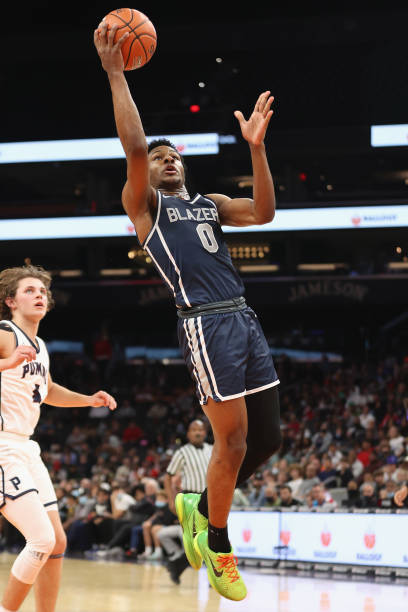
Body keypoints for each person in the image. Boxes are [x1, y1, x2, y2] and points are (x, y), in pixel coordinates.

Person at [94, 22, 281, 602]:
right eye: (158, 157)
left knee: (269, 440)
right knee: (234, 443)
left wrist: (256, 148)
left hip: (244, 317)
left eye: (173, 154)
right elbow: (132, 147)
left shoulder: (210, 204)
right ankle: (218, 544)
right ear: (146, 175)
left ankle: (198, 507)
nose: (166, 159)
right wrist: (116, 73)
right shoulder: (146, 209)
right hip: (205, 323)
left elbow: (265, 214)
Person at [0, 265, 116, 612]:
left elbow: (47, 390)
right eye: (29, 290)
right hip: (2, 445)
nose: (39, 295)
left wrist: (88, 399)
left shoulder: (40, 346)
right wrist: (5, 364)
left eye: (42, 291)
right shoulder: (5, 333)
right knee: (41, 540)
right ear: (10, 301)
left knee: (57, 541)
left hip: (26, 447)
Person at [161, 420, 212, 583]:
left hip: (210, 497)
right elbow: (168, 477)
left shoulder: (212, 450)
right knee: (199, 541)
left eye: (200, 429)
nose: (197, 432)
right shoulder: (182, 452)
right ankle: (213, 578)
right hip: (191, 499)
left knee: (210, 539)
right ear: (188, 433)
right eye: (194, 430)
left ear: (205, 433)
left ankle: (175, 565)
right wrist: (171, 499)